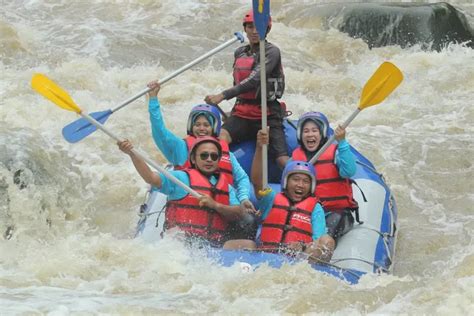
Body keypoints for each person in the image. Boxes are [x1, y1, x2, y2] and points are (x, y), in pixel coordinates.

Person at [146, 81, 255, 217]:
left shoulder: (224, 153)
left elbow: (242, 178)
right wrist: (153, 100)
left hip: (223, 207)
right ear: (192, 126)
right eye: (197, 124)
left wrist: (244, 198)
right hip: (190, 205)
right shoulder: (181, 147)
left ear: (214, 128)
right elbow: (160, 131)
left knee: (248, 220)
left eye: (206, 125)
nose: (202, 128)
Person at [225, 129, 335, 262]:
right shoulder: (271, 198)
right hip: (265, 256)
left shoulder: (315, 208)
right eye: (295, 179)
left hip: (296, 260)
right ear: (286, 182)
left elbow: (318, 241)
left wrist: (303, 245)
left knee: (327, 240)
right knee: (232, 245)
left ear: (311, 186)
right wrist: (260, 148)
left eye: (305, 181)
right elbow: (257, 182)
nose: (300, 184)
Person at [118, 136, 247, 247]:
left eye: (214, 156)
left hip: (214, 246)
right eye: (204, 155)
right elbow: (151, 178)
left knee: (248, 245)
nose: (209, 159)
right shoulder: (180, 178)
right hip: (181, 243)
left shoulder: (225, 186)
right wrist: (132, 154)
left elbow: (239, 213)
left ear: (218, 161)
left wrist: (215, 205)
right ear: (193, 159)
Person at [204, 10, 289, 169]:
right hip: (243, 113)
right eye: (250, 27)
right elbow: (239, 82)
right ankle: (218, 177)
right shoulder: (240, 52)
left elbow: (254, 80)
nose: (254, 31)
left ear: (267, 28)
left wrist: (222, 95)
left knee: (282, 159)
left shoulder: (272, 51)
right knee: (221, 138)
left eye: (259, 27)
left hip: (267, 114)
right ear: (245, 29)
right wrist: (232, 111)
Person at [292, 111, 360, 248]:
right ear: (300, 134)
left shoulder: (335, 153)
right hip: (310, 213)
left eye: (314, 130)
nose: (310, 134)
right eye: (306, 131)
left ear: (322, 133)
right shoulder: (295, 158)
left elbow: (349, 171)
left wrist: (342, 142)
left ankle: (320, 253)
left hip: (337, 213)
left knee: (331, 225)